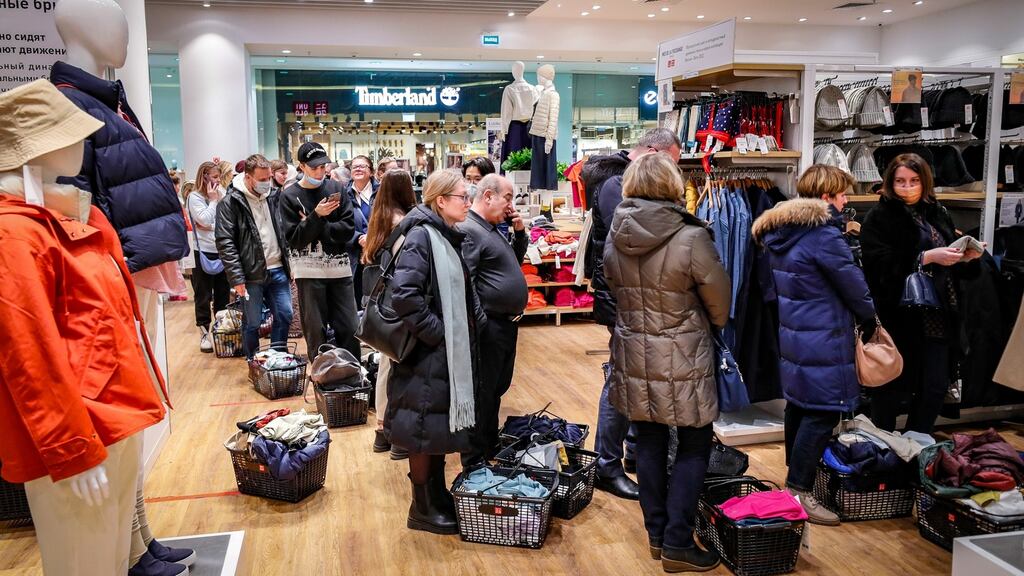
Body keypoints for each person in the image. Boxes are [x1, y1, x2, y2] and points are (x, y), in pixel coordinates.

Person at [603, 152, 730, 572]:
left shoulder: (616, 234)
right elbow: (720, 304)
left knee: (649, 442)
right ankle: (678, 541)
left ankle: (657, 536)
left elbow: (614, 289)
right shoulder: (691, 237)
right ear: (672, 186)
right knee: (694, 444)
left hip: (633, 349)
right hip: (683, 353)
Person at [752, 165, 877, 526]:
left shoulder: (783, 231)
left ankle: (795, 479)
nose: (846, 201)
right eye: (842, 195)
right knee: (823, 410)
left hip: (797, 333)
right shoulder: (824, 235)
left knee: (800, 406)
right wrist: (869, 317)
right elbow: (853, 285)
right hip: (825, 334)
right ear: (826, 198)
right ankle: (800, 490)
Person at [586, 127, 683, 500]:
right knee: (621, 382)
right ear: (655, 153)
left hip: (635, 300)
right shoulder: (616, 183)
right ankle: (605, 465)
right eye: (671, 163)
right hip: (626, 301)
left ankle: (629, 452)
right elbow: (630, 243)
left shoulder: (618, 181)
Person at [387, 169, 485, 535]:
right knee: (422, 431)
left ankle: (437, 496)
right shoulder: (422, 237)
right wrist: (440, 336)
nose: (468, 201)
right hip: (427, 357)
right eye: (463, 196)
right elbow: (405, 297)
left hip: (441, 356)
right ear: (440, 200)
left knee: (437, 429)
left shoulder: (444, 234)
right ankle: (421, 507)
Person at [860, 154, 984, 433]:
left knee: (935, 386)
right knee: (889, 387)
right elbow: (878, 267)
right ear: (890, 183)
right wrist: (925, 257)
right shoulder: (879, 217)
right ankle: (885, 453)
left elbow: (948, 260)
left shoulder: (937, 212)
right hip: (899, 316)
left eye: (914, 180)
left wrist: (965, 257)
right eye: (901, 181)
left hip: (939, 314)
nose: (908, 187)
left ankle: (916, 445)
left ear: (925, 181)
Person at [458, 173, 528, 467]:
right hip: (490, 325)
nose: (510, 205)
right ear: (488, 196)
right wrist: (481, 322)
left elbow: (512, 261)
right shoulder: (472, 230)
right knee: (483, 392)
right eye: (507, 198)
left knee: (496, 389)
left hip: (506, 323)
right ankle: (474, 457)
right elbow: (467, 280)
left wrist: (519, 231)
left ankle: (489, 445)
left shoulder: (491, 228)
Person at [278, 142, 360, 361]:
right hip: (309, 273)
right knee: (316, 332)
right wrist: (317, 215)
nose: (320, 171)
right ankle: (322, 380)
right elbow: (295, 239)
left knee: (350, 328)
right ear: (302, 166)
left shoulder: (337, 189)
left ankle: (354, 378)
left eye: (323, 166)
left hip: (340, 272)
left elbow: (347, 231)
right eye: (314, 167)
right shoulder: (289, 196)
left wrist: (316, 223)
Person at [215, 154, 294, 359]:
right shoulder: (230, 202)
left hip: (278, 268)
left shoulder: (275, 196)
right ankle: (254, 361)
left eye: (269, 178)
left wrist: (290, 265)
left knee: (285, 315)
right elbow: (225, 242)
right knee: (252, 322)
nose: (267, 183)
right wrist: (237, 278)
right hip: (250, 274)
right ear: (248, 177)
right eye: (262, 179)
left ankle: (277, 359)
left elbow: (283, 232)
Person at [362, 169, 417, 459]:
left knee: (386, 366)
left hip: (382, 307)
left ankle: (382, 432)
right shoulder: (406, 223)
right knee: (403, 370)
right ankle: (399, 437)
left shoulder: (378, 219)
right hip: (403, 304)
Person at [188, 161, 231, 353]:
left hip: (222, 249)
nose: (217, 181)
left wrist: (211, 224)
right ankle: (204, 333)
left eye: (218, 177)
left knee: (223, 295)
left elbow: (229, 220)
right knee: (203, 295)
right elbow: (203, 219)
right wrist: (213, 201)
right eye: (214, 177)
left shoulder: (222, 193)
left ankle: (221, 332)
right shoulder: (194, 197)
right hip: (201, 252)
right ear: (204, 176)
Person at [347, 155, 378, 308]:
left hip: (378, 253)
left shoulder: (382, 193)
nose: (358, 169)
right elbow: (339, 225)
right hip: (353, 254)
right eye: (354, 167)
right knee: (356, 297)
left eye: (363, 166)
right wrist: (358, 237)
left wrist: (372, 238)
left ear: (371, 172)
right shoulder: (342, 195)